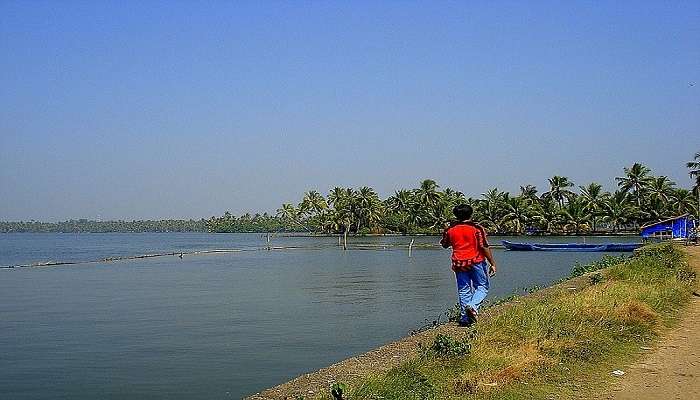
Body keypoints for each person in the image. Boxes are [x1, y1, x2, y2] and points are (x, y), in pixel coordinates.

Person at [440, 204, 497, 326]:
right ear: (470, 214)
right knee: (482, 286)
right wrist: (492, 263)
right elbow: (484, 246)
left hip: (459, 262)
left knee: (463, 289)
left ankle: (465, 318)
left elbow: (444, 244)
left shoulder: (450, 230)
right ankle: (472, 306)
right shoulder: (477, 229)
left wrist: (446, 230)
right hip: (476, 261)